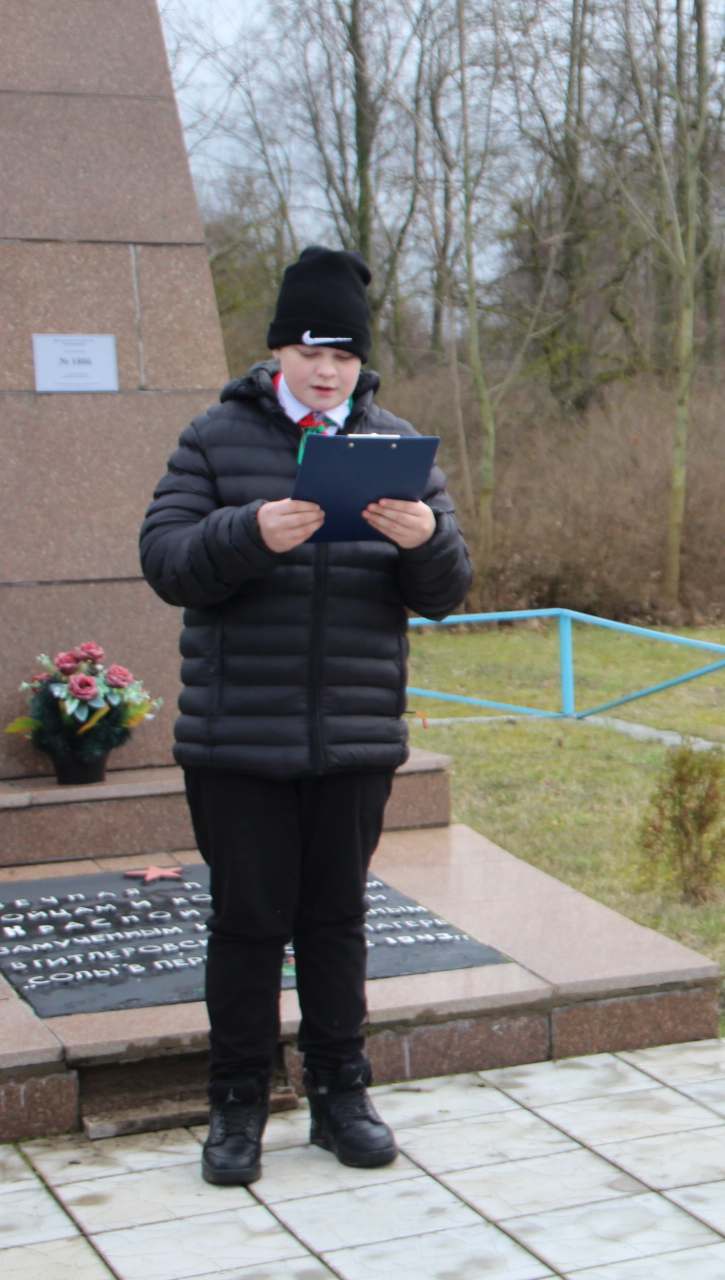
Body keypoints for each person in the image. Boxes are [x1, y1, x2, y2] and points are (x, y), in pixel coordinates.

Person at [140, 247, 473, 1186]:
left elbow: (447, 592)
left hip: (355, 738)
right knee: (247, 925)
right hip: (237, 740)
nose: (328, 370)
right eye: (310, 349)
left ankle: (341, 1097)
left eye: (345, 355)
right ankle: (238, 1105)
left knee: (335, 922)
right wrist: (245, 532)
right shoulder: (214, 437)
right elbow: (164, 561)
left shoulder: (397, 445)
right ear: (280, 350)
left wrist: (427, 539)